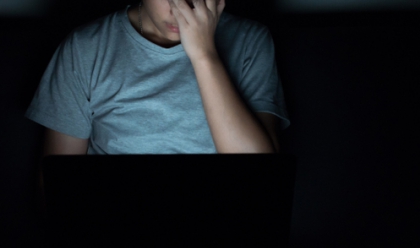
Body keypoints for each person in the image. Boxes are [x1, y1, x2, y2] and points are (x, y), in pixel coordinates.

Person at [25, 0, 290, 156]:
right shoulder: (84, 48)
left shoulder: (250, 41)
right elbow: (56, 185)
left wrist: (204, 55)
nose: (182, 9)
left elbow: (260, 175)